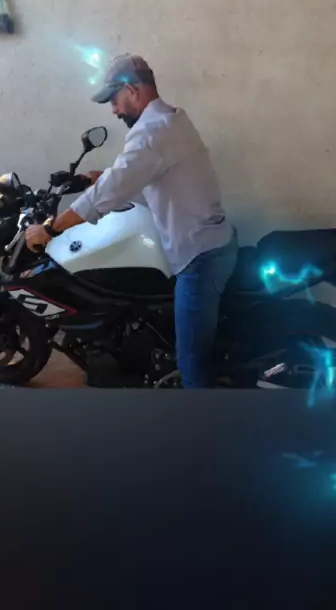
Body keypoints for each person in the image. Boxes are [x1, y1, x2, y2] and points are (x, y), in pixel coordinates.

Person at [26, 54, 238, 387]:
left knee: (192, 360)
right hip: (211, 240)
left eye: (114, 99)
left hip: (199, 257)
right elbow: (142, 170)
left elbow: (110, 191)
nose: (113, 110)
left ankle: (200, 416)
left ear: (131, 90)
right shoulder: (172, 118)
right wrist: (103, 176)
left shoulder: (151, 132)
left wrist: (50, 229)